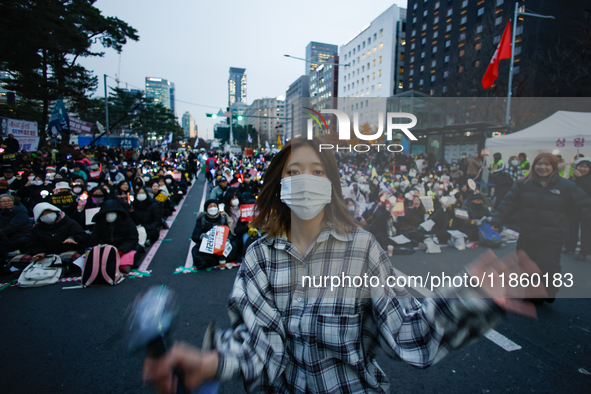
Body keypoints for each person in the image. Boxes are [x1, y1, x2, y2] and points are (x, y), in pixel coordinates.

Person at [143, 137, 543, 394]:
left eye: (317, 172)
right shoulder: (258, 258)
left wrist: (472, 298)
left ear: (331, 186)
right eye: (293, 172)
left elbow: (407, 330)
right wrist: (212, 362)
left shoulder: (362, 249)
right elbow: (261, 346)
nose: (305, 180)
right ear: (279, 186)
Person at [492, 153, 591, 301]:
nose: (542, 168)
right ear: (534, 165)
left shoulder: (566, 186)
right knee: (526, 266)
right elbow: (508, 203)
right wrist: (496, 221)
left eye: (547, 164)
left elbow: (585, 205)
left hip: (552, 237)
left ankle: (549, 291)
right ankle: (531, 293)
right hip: (526, 234)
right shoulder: (523, 184)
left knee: (547, 267)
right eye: (539, 164)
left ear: (554, 167)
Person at [26, 202, 89, 275]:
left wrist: (72, 238)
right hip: (48, 254)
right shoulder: (36, 229)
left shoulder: (69, 223)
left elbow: (82, 236)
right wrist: (39, 252)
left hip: (68, 250)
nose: (47, 215)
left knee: (72, 256)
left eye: (49, 212)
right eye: (43, 213)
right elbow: (33, 244)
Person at [89, 200, 140, 272]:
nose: (110, 215)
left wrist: (122, 250)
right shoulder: (99, 223)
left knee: (133, 253)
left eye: (113, 212)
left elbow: (133, 238)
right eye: (107, 213)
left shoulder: (127, 221)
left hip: (123, 248)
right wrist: (101, 248)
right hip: (105, 249)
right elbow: (94, 238)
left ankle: (123, 266)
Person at [190, 199, 233, 270]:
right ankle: (218, 260)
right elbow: (194, 236)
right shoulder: (202, 219)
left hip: (220, 246)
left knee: (234, 246)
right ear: (206, 208)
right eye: (210, 206)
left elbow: (229, 233)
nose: (213, 208)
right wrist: (201, 236)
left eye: (214, 206)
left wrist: (228, 239)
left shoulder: (223, 219)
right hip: (207, 248)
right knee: (195, 251)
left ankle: (215, 260)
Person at [566, 158, 591, 261]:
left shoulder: (587, 178)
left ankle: (583, 252)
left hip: (587, 208)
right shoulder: (573, 177)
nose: (582, 169)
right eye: (580, 166)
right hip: (573, 206)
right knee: (571, 227)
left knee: (585, 231)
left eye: (585, 167)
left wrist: (580, 178)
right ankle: (569, 246)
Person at [0, 194, 32, 273]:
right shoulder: (2, 213)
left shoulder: (20, 212)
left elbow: (11, 228)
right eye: (3, 201)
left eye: (9, 201)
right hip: (6, 237)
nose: (7, 203)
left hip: (19, 237)